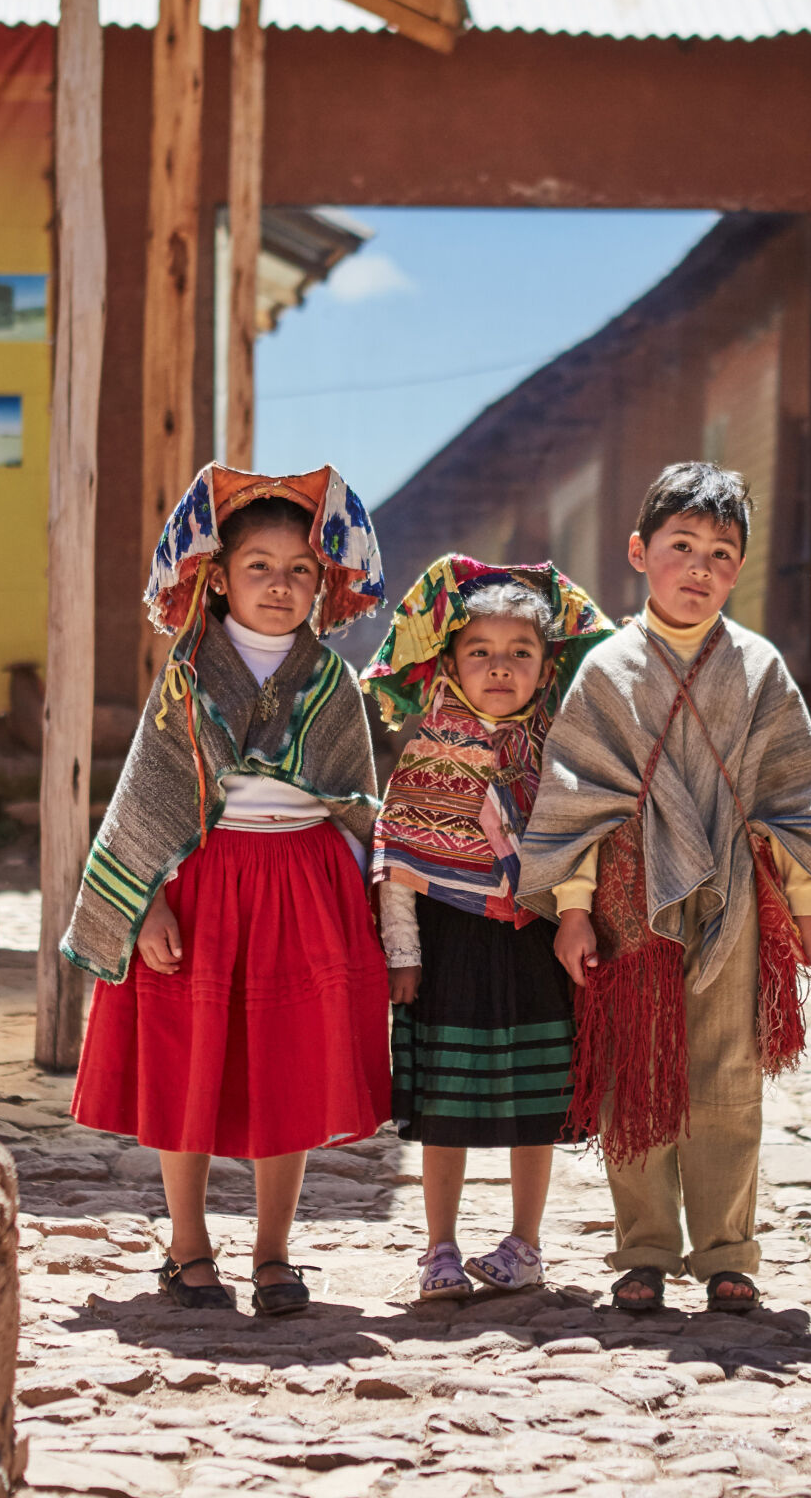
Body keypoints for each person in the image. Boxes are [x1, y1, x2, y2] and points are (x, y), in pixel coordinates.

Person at [519, 461, 811, 1316]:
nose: (699, 567)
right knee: (639, 1069)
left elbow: (794, 791)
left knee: (728, 1071)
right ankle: (643, 1250)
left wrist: (806, 911)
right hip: (632, 901)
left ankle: (727, 1250)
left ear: (738, 569)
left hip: (735, 895)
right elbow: (574, 797)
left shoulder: (759, 669)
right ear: (639, 552)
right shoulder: (606, 672)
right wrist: (572, 910)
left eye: (720, 553)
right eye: (681, 546)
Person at [63, 463, 390, 1317]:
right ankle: (187, 1246)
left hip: (303, 889)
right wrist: (149, 902)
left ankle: (275, 1253)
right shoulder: (187, 678)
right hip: (205, 886)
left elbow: (356, 805)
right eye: (259, 568)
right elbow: (147, 798)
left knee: (290, 1067)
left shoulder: (332, 685)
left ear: (324, 583)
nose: (280, 588)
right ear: (218, 576)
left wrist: (379, 913)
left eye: (300, 571)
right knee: (191, 1063)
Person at [361, 557, 612, 1301]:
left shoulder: (562, 755)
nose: (500, 668)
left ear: (546, 665)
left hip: (536, 940)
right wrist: (402, 955)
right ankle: (439, 1246)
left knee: (534, 1097)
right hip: (449, 948)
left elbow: (578, 841)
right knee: (448, 1101)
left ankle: (525, 1243)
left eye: (520, 653)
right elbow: (399, 862)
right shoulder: (426, 751)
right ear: (450, 662)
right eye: (481, 653)